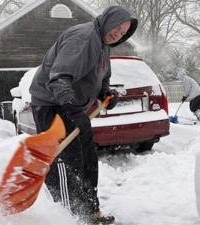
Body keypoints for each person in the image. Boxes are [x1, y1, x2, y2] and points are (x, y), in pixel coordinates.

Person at [29, 5, 137, 224]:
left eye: (123, 33)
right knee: (65, 164)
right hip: (52, 105)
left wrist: (106, 93)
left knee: (86, 161)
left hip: (72, 106)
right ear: (108, 20)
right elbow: (59, 77)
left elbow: (101, 77)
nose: (119, 34)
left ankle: (90, 211)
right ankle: (69, 217)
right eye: (118, 27)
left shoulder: (103, 45)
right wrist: (71, 107)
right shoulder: (84, 38)